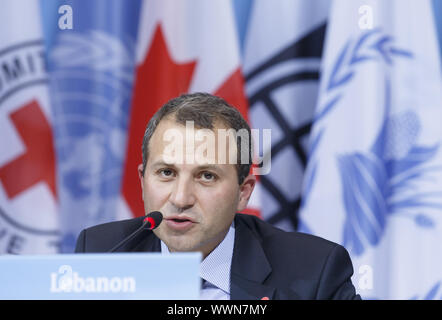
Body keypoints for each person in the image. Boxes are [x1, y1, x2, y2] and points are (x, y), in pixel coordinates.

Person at [75, 92, 361, 300]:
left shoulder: (313, 272)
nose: (181, 198)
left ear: (243, 192)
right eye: (166, 173)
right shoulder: (103, 253)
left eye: (206, 176)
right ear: (142, 180)